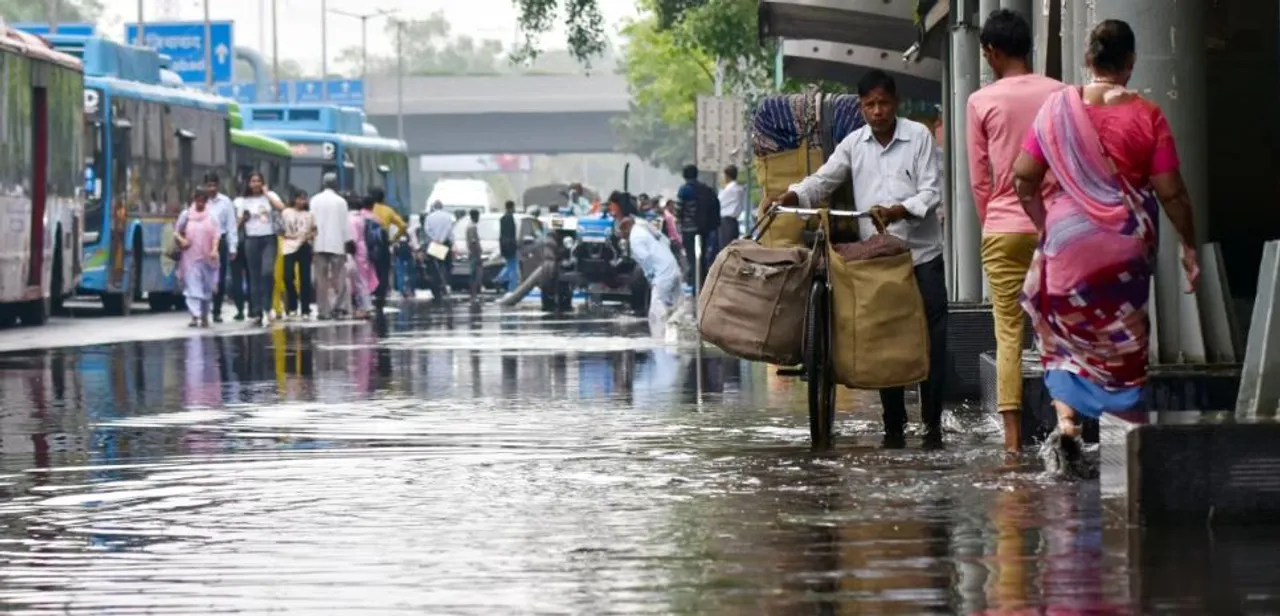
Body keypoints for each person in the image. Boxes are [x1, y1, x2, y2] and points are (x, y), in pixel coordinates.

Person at [1011, 19, 1199, 441]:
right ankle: (1126, 439)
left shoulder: (1057, 109)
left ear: (1087, 59)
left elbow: (1022, 178)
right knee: (1123, 340)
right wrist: (1188, 244)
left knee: (1061, 339)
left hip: (1065, 247)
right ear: (1131, 62)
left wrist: (1048, 227)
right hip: (1123, 252)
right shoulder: (1148, 115)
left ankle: (1067, 423)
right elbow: (1171, 193)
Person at [777, 69, 946, 448]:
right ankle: (894, 423)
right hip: (880, 260)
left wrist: (901, 210)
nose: (877, 110)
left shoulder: (917, 136)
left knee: (931, 340)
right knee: (887, 339)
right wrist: (793, 196)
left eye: (883, 102)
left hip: (921, 257)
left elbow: (932, 192)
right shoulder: (854, 144)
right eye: (869, 104)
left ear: (895, 102)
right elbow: (824, 179)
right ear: (861, 107)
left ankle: (933, 422)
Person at [967, 8, 1067, 453]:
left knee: (1008, 335)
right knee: (1060, 331)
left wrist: (992, 221)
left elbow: (979, 178)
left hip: (1004, 229)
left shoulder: (981, 101)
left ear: (992, 52)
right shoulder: (1063, 94)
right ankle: (1068, 427)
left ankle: (1012, 445)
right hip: (1056, 230)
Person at [234, 172, 286, 327]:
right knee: (254, 276)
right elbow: (237, 223)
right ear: (248, 184)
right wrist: (243, 220)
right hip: (252, 239)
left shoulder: (270, 195)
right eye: (253, 181)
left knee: (267, 271)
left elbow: (281, 207)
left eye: (258, 181)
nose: (255, 184)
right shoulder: (243, 200)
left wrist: (266, 194)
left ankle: (268, 307)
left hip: (269, 238)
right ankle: (256, 311)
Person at [621, 215, 682, 339]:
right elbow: (665, 240)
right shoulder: (643, 229)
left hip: (662, 274)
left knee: (656, 312)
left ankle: (659, 343)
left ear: (626, 229)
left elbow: (645, 258)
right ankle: (679, 337)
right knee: (675, 307)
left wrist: (650, 276)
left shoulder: (635, 238)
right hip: (673, 267)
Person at [175, 189, 221, 328]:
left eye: (203, 200)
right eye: (198, 200)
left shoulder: (212, 216)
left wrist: (214, 250)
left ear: (207, 201)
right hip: (190, 257)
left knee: (206, 288)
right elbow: (176, 231)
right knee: (193, 286)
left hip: (207, 258)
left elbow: (216, 235)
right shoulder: (186, 215)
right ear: (194, 199)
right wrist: (181, 240)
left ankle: (204, 315)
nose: (200, 203)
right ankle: (195, 315)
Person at [309, 172, 353, 320]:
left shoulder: (314, 200)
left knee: (320, 279)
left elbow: (311, 222)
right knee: (339, 277)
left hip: (319, 243)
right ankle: (339, 307)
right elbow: (344, 226)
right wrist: (347, 243)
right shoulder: (341, 202)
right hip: (337, 244)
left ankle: (323, 310)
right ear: (335, 184)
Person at [676, 165, 721, 287]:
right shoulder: (706, 189)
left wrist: (679, 224)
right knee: (702, 257)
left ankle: (695, 285)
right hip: (704, 229)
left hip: (689, 230)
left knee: (692, 258)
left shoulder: (684, 190)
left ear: (684, 175)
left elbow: (678, 211)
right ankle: (704, 283)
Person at [201, 173, 236, 323]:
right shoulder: (200, 201)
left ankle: (216, 310)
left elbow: (231, 225)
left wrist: (232, 247)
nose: (212, 188)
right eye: (209, 185)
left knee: (219, 278)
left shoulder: (225, 202)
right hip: (202, 241)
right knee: (201, 276)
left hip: (220, 241)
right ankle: (202, 311)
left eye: (214, 185)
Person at [367, 187, 406, 306]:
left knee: (369, 268)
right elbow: (403, 225)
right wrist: (394, 239)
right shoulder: (388, 210)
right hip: (383, 243)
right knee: (384, 270)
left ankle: (370, 292)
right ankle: (381, 294)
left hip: (368, 243)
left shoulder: (368, 210)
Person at [281, 190, 316, 319]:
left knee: (305, 278)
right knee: (288, 276)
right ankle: (292, 305)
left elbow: (314, 231)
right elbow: (280, 228)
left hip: (304, 246)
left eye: (304, 199)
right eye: (299, 199)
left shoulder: (309, 215)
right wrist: (287, 235)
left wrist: (310, 236)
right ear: (294, 199)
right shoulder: (286, 212)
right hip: (289, 246)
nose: (302, 202)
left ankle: (305, 309)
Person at [345, 194, 378, 318]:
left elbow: (352, 238)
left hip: (356, 251)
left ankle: (363, 305)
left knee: (357, 280)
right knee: (362, 279)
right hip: (363, 249)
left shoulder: (351, 219)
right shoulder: (361, 218)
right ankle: (366, 304)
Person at [358, 195, 391, 312]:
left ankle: (363, 299)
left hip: (359, 250)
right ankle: (379, 296)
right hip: (377, 250)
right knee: (379, 273)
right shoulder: (378, 218)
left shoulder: (357, 216)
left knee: (361, 276)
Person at [718, 164, 746, 249]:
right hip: (733, 222)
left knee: (725, 247)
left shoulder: (729, 189)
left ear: (727, 176)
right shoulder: (738, 188)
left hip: (726, 222)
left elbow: (718, 202)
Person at [496, 200, 520, 294]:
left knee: (510, 265)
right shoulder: (509, 218)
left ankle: (499, 280)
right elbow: (510, 234)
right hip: (510, 246)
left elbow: (502, 234)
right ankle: (512, 288)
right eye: (513, 207)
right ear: (511, 208)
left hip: (504, 246)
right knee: (513, 267)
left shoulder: (503, 218)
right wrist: (514, 245)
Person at [465, 208, 483, 304]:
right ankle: (473, 294)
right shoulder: (472, 227)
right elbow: (473, 242)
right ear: (475, 216)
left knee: (474, 274)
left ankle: (474, 294)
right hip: (474, 254)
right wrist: (477, 254)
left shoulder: (470, 226)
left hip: (472, 253)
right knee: (474, 274)